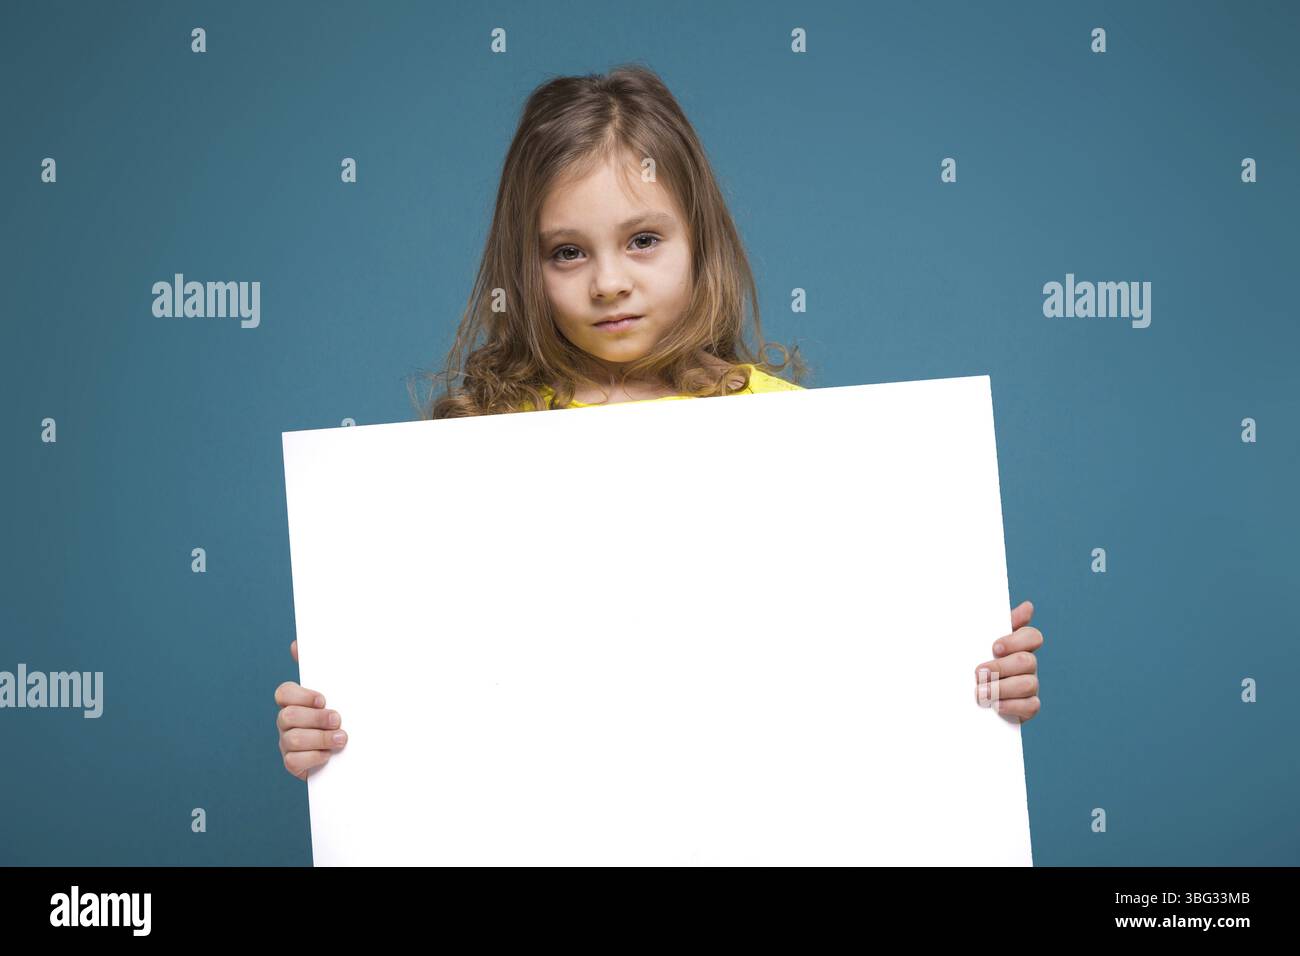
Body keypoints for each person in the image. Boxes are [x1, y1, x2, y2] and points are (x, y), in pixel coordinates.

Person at [275, 64, 1043, 781]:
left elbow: (858, 657)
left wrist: (977, 676)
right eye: (568, 253)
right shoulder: (480, 444)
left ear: (698, 238)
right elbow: (440, 680)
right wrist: (345, 713)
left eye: (643, 240)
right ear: (525, 268)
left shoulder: (787, 433)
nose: (611, 283)